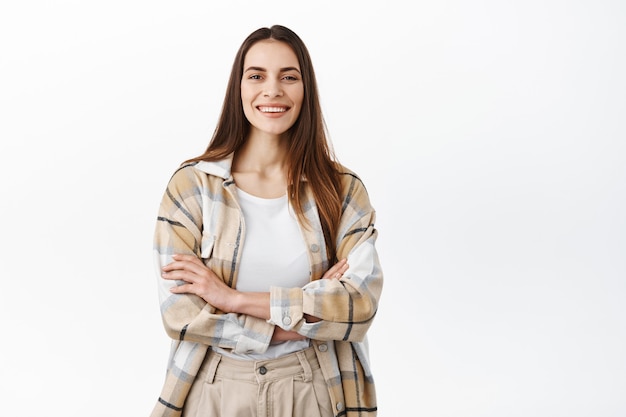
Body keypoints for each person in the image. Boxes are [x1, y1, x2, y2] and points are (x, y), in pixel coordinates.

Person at [150, 24, 383, 417]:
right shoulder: (193, 186)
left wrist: (231, 299)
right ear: (238, 88)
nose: (272, 90)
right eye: (256, 75)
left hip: (315, 387)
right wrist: (308, 316)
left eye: (288, 77)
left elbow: (360, 306)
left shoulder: (341, 190)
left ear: (305, 89)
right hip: (215, 388)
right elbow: (182, 316)